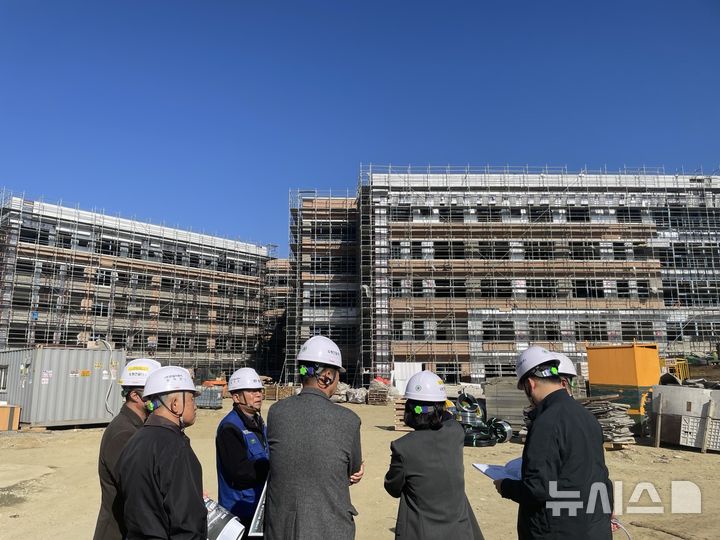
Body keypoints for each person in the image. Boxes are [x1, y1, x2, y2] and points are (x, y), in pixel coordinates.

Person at [495, 346, 613, 539]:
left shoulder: (546, 422)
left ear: (530, 384)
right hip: (592, 527)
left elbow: (537, 490)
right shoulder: (586, 417)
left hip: (560, 530)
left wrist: (505, 486)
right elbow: (600, 475)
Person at [264, 335, 364, 540]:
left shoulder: (276, 412)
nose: (338, 382)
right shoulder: (349, 420)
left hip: (283, 529)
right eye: (338, 376)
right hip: (330, 529)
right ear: (327, 376)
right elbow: (351, 470)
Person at [384, 370, 484, 539]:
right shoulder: (455, 432)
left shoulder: (403, 447)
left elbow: (393, 487)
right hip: (460, 531)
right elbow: (447, 417)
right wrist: (436, 409)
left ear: (410, 409)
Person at [115, 365, 206, 539]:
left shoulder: (135, 439)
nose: (195, 406)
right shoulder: (175, 447)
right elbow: (188, 524)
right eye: (192, 399)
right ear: (175, 404)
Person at [93, 358, 161, 540]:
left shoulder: (140, 426)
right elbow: (137, 488)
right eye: (154, 394)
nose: (159, 399)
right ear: (135, 396)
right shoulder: (123, 433)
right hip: (118, 532)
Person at [216, 367, 269, 533]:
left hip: (258, 506)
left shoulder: (258, 422)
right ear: (236, 397)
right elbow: (239, 472)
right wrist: (273, 466)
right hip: (240, 511)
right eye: (252, 391)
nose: (258, 394)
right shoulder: (230, 428)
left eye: (259, 390)